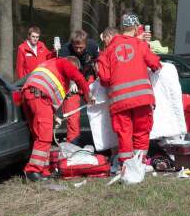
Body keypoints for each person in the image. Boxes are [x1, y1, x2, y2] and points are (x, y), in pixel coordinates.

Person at [97, 14, 161, 166]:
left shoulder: (108, 50)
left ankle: (126, 165)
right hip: (142, 99)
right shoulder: (140, 45)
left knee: (124, 134)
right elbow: (155, 64)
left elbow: (104, 79)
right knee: (141, 131)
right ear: (136, 27)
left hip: (119, 101)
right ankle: (140, 164)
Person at [21, 55, 92, 181]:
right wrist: (88, 96)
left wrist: (54, 117)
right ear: (73, 65)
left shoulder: (50, 64)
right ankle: (32, 171)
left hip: (29, 95)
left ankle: (44, 170)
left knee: (38, 136)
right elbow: (79, 78)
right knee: (45, 136)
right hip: (39, 97)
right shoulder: (64, 63)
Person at [57, 30, 99, 144]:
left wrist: (99, 79)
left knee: (97, 108)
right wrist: (71, 82)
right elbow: (61, 70)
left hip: (87, 78)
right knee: (72, 115)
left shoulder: (93, 46)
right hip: (71, 83)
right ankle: (73, 144)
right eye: (76, 48)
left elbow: (98, 63)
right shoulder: (64, 50)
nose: (79, 50)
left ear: (86, 44)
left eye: (81, 47)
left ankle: (99, 140)